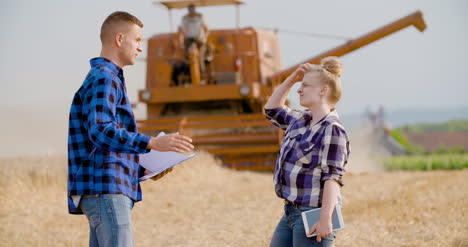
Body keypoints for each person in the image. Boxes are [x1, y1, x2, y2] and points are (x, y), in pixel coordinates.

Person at [67, 11, 194, 247]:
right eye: (137, 40)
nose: (140, 48)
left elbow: (103, 148)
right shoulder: (105, 78)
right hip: (107, 191)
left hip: (103, 189)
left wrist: (143, 169)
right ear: (119, 39)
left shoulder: (105, 77)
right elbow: (100, 131)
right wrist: (152, 143)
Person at [264, 57, 350, 247]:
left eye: (305, 85)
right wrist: (291, 79)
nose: (299, 89)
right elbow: (271, 109)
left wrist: (326, 218)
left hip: (315, 213)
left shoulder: (332, 128)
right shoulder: (300, 120)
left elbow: (332, 178)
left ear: (323, 90)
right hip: (291, 212)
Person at [178, 4, 210, 80]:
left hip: (199, 40)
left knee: (200, 58)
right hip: (188, 40)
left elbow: (206, 30)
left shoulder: (200, 17)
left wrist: (204, 39)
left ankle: (202, 77)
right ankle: (188, 77)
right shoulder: (185, 18)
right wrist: (181, 42)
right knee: (186, 59)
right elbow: (181, 31)